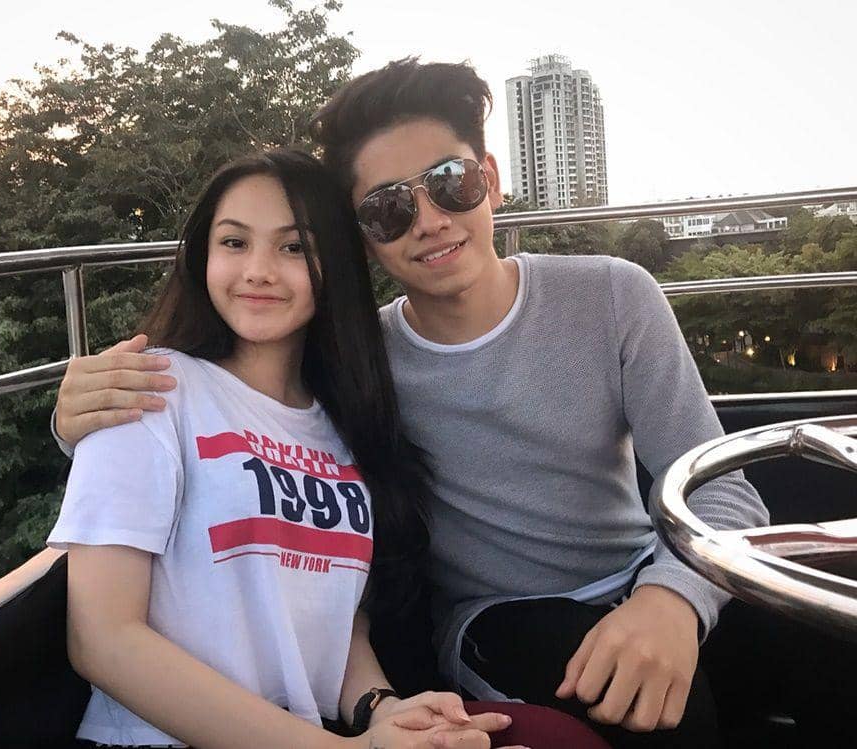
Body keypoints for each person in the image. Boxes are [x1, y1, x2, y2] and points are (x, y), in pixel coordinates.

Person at [51, 61, 770, 747]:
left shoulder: (611, 296)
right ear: (363, 239)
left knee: (809, 647)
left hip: (646, 572)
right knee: (665, 717)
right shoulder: (363, 370)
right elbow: (233, 424)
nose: (428, 221)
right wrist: (74, 422)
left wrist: (671, 599)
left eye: (451, 183)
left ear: (491, 180)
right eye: (388, 208)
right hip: (498, 619)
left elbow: (723, 491)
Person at [47, 148, 528, 749]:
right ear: (203, 257)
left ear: (336, 267)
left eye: (295, 247)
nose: (259, 271)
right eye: (234, 242)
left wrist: (382, 711)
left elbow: (328, 616)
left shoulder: (343, 426)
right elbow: (103, 638)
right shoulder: (150, 389)